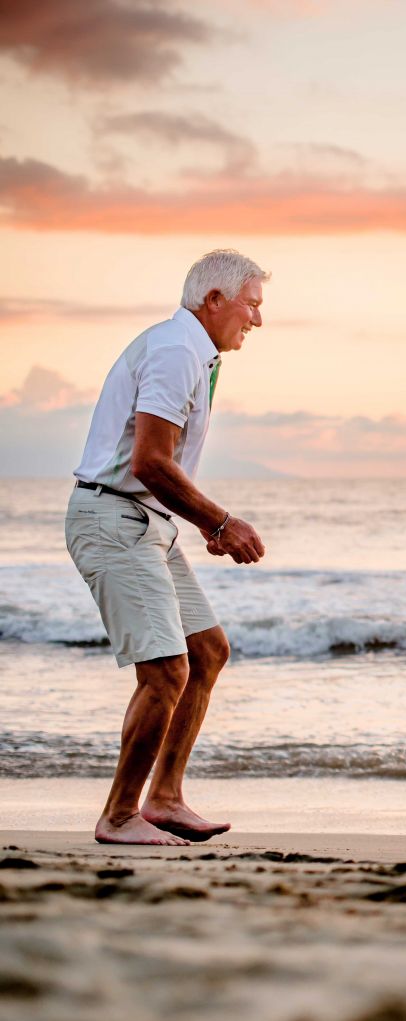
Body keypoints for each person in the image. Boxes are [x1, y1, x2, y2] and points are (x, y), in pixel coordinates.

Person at [65, 249, 270, 846]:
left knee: (206, 652)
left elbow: (159, 467)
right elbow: (150, 462)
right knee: (165, 672)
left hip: (144, 520)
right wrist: (222, 521)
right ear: (214, 301)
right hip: (114, 517)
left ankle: (165, 798)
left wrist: (200, 524)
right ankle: (120, 814)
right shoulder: (177, 350)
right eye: (250, 306)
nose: (256, 321)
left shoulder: (194, 352)